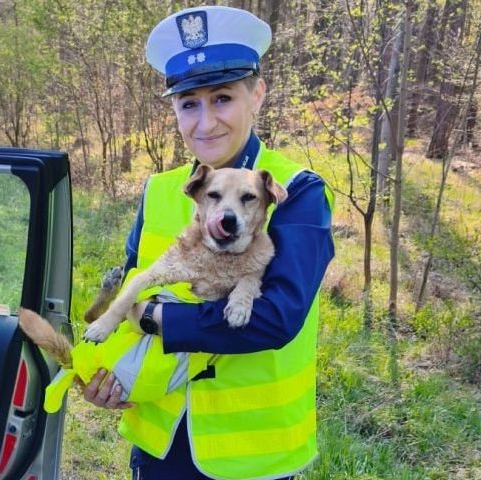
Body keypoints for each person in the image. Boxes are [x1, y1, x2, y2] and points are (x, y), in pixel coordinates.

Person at [81, 6, 335, 480]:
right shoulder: (161, 189)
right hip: (159, 439)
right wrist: (102, 374)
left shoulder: (296, 190)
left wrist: (158, 319)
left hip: (251, 457)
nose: (205, 122)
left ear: (256, 95)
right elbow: (132, 284)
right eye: (189, 104)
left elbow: (274, 318)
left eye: (222, 98)